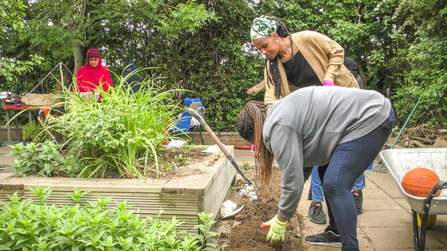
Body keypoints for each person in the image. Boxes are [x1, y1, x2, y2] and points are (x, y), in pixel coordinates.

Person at [237, 86, 394, 251]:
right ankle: (336, 232)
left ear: (256, 134)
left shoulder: (278, 126)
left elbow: (293, 181)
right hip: (369, 112)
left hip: (370, 116)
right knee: (324, 171)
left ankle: (350, 248)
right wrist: (281, 215)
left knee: (335, 184)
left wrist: (282, 219)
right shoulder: (278, 113)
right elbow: (300, 167)